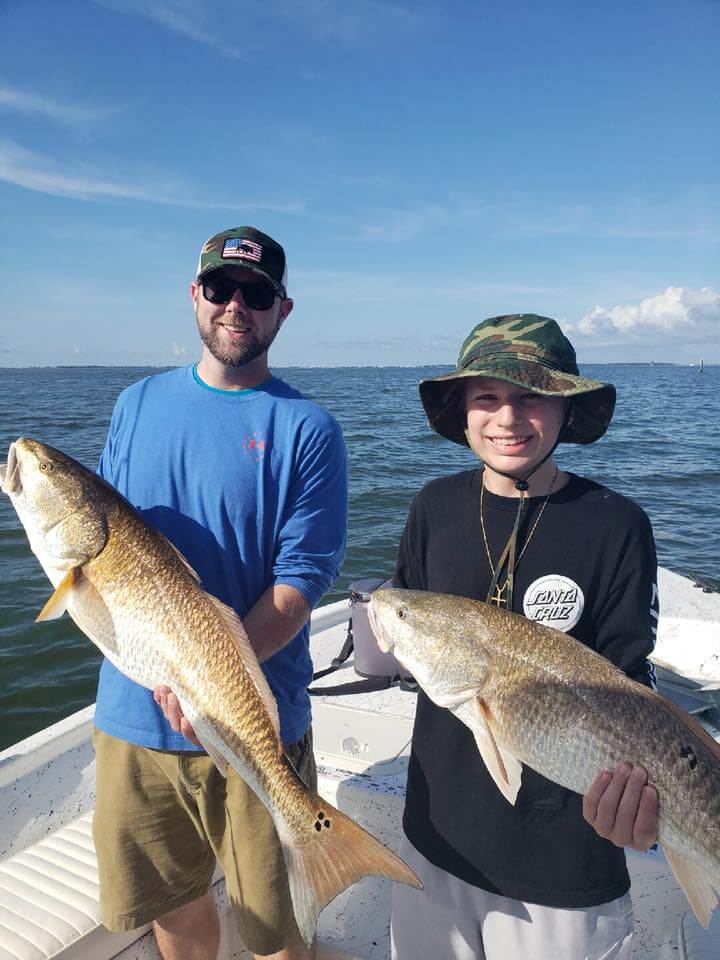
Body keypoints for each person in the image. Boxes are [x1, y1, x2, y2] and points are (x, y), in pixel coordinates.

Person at [92, 226, 347, 960]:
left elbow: (302, 582)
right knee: (172, 908)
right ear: (195, 296)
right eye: (220, 289)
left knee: (274, 927)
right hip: (133, 721)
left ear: (282, 310)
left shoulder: (308, 429)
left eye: (257, 294)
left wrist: (210, 683)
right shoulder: (134, 403)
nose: (237, 306)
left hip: (257, 727)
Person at [390, 314, 660, 960]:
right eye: (487, 398)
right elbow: (408, 642)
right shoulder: (433, 506)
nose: (507, 418)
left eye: (530, 397)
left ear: (567, 409)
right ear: (461, 411)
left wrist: (642, 807)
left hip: (564, 862)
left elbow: (632, 685)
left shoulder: (616, 525)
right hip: (434, 836)